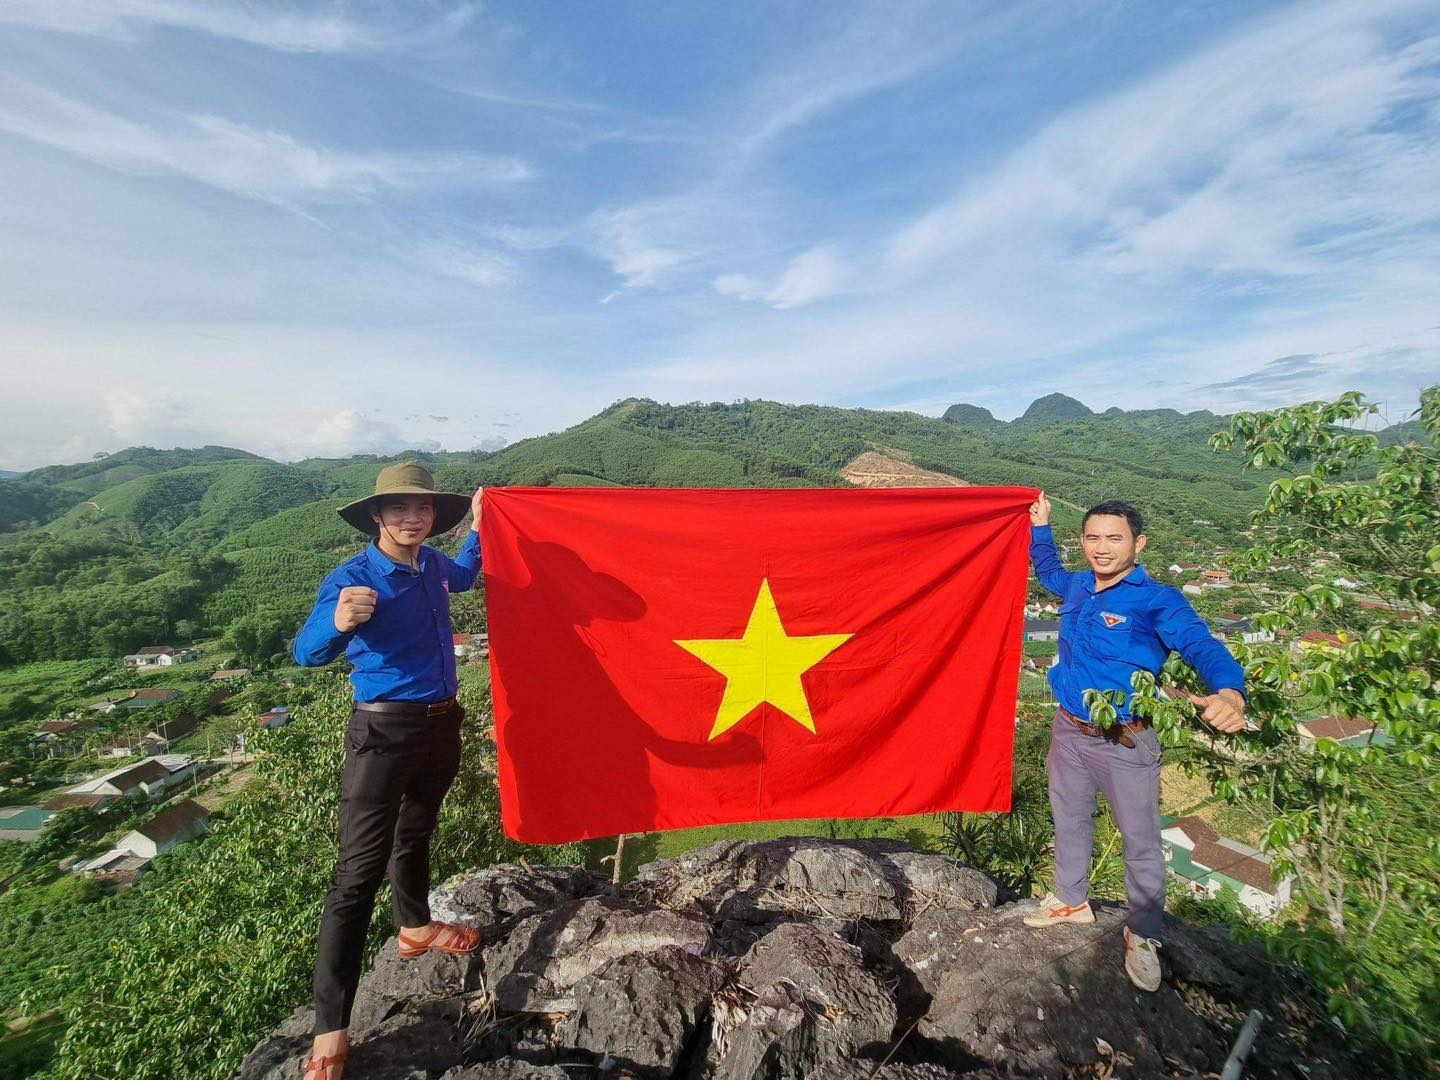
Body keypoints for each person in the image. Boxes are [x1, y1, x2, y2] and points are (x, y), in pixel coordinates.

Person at [292, 462, 485, 1080]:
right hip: (382, 732)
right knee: (355, 876)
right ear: (377, 516)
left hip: (441, 723)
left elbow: (467, 574)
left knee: (417, 831)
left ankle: (415, 928)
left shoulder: (431, 566)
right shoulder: (352, 578)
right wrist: (338, 621)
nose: (412, 517)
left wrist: (479, 527)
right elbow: (306, 652)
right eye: (399, 509)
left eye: (423, 509)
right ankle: (330, 1032)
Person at [1023, 493, 1247, 992]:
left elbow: (1201, 644)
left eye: (1113, 538)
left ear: (1138, 543)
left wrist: (1230, 690)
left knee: (1141, 842)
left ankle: (1143, 933)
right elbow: (1049, 573)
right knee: (1070, 821)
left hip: (1126, 740)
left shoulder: (1158, 600)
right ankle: (1071, 899)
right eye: (1092, 537)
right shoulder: (1078, 586)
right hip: (1069, 730)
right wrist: (1041, 527)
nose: (1101, 548)